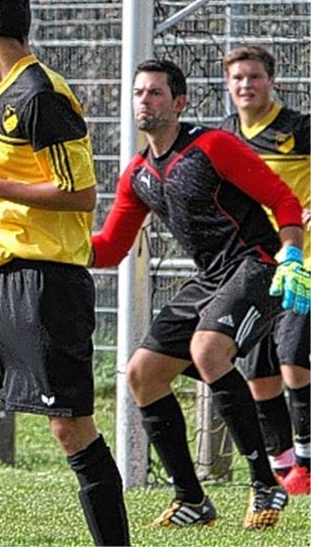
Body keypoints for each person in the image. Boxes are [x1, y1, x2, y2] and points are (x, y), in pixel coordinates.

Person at [0, 0, 129, 547]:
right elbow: (22, 176)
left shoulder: (40, 94)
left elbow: (82, 193)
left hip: (47, 281)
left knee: (70, 428)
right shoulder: (4, 92)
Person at [92, 58, 307, 530]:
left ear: (179, 102)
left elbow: (283, 199)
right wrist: (41, 245)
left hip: (258, 263)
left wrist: (292, 252)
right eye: (138, 93)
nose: (145, 101)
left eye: (156, 93)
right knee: (142, 374)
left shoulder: (212, 146)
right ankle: (192, 499)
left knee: (207, 349)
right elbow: (108, 248)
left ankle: (267, 482)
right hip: (212, 276)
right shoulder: (138, 175)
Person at [220, 45, 311, 496]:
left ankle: (307, 460)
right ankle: (282, 464)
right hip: (257, 263)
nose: (246, 85)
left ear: (271, 81)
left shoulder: (299, 130)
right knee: (258, 370)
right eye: (238, 78)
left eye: (254, 77)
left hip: (303, 262)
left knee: (294, 356)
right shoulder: (224, 138)